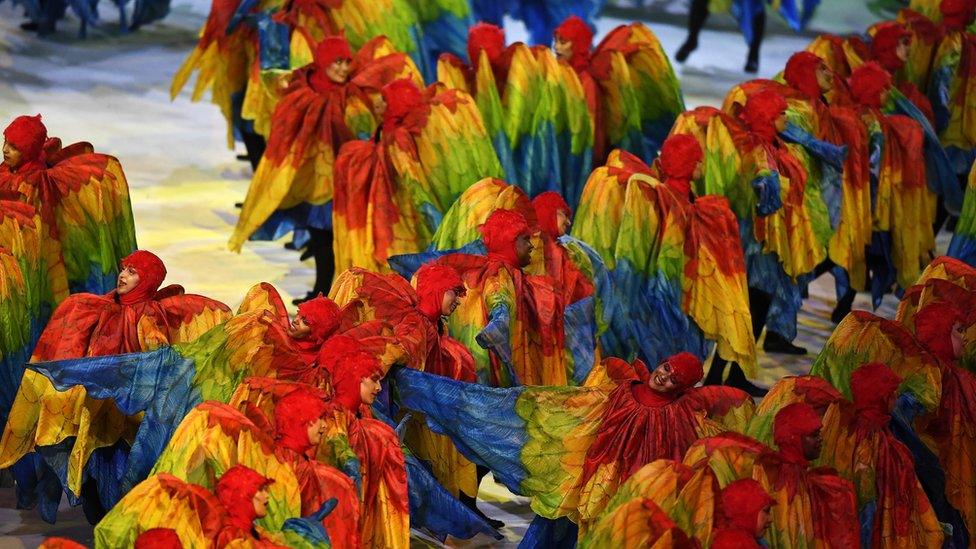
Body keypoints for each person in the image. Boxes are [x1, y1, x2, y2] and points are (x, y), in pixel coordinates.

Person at [393, 352, 755, 539]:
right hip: (581, 479)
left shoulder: (678, 419)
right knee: (554, 526)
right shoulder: (620, 390)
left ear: (683, 386)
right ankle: (420, 390)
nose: (663, 376)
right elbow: (577, 410)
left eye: (674, 377)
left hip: (622, 493)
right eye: (664, 368)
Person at [0, 250, 230, 523]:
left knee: (120, 481)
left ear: (147, 282)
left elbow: (159, 363)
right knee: (92, 480)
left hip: (127, 419)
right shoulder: (96, 307)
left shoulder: (150, 319)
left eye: (133, 273)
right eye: (125, 269)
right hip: (95, 410)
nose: (123, 275)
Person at [712, 479, 774, 548]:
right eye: (766, 511)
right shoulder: (733, 544)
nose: (770, 519)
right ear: (747, 512)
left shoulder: (756, 541)